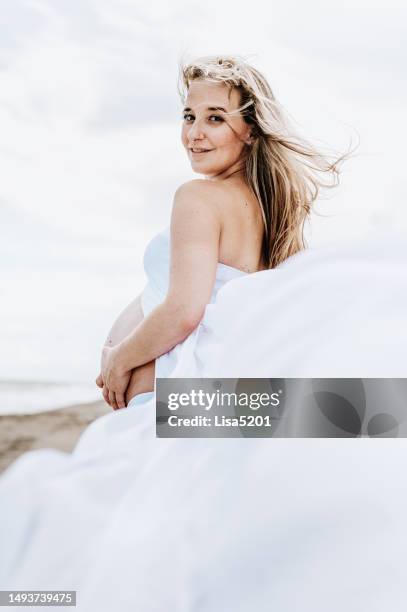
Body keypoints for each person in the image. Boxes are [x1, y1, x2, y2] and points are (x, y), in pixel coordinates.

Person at [1, 54, 407, 611]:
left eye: (215, 117)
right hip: (201, 399)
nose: (194, 133)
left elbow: (185, 311)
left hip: (165, 400)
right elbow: (189, 289)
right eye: (188, 116)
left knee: (89, 545)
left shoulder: (197, 197)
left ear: (250, 126)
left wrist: (118, 359)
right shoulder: (267, 205)